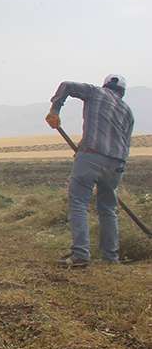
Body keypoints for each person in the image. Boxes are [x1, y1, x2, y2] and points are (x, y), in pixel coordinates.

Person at [47, 74, 135, 266]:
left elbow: (66, 85)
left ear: (106, 85)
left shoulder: (96, 92)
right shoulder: (127, 111)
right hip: (116, 163)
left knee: (79, 202)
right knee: (108, 209)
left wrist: (55, 110)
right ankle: (111, 258)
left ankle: (80, 254)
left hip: (91, 156)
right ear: (122, 92)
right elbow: (125, 142)